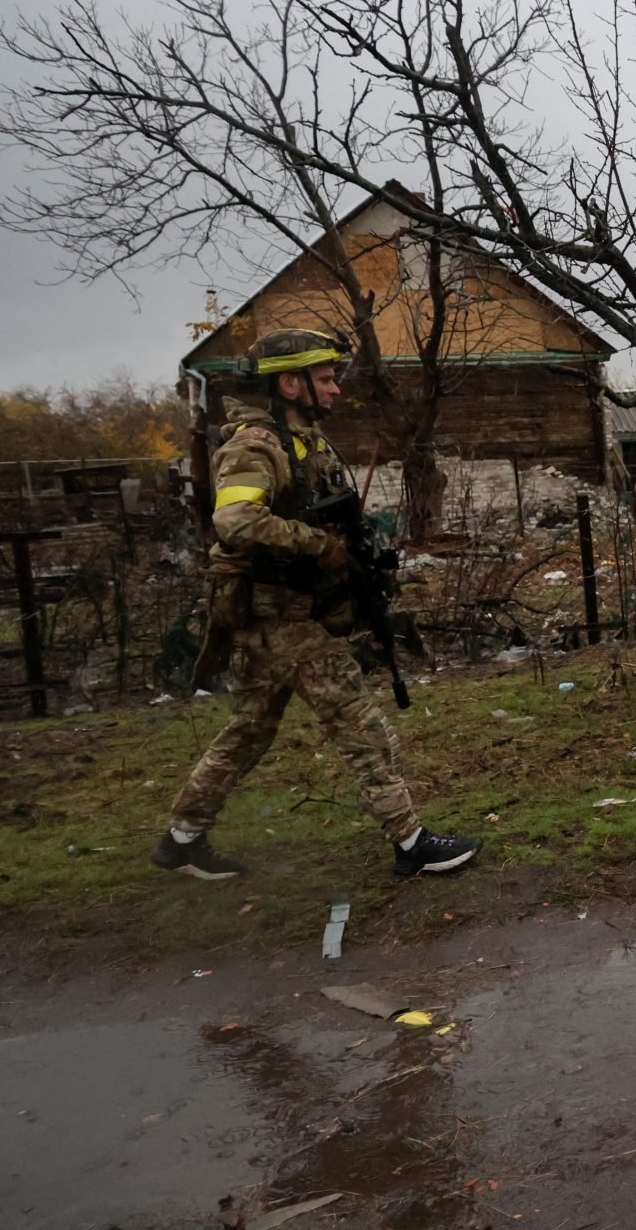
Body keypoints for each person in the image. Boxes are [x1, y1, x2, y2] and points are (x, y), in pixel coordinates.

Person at [150, 328, 480, 880]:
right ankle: (410, 844)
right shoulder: (256, 447)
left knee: (248, 732)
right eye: (325, 379)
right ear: (290, 383)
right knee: (360, 724)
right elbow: (234, 520)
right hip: (283, 621)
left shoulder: (306, 443)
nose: (335, 390)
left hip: (284, 619)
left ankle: (182, 838)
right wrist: (319, 546)